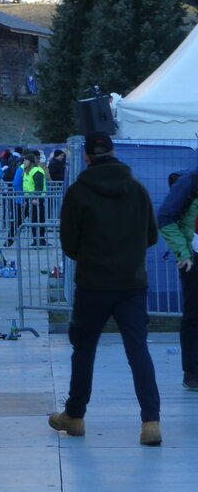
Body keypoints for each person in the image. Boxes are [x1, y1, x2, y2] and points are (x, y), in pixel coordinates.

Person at [51, 131, 161, 446]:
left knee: (84, 350)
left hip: (93, 285)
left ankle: (75, 416)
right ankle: (151, 423)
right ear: (113, 152)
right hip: (132, 285)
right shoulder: (137, 190)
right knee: (138, 350)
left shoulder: (78, 193)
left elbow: (69, 245)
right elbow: (151, 236)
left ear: (86, 156)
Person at [157, 167, 198, 391]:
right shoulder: (190, 182)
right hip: (193, 258)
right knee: (194, 315)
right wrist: (183, 252)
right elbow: (165, 217)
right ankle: (192, 372)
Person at [22, 150, 48, 246]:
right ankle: (35, 240)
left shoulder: (37, 171)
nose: (24, 162)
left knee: (39, 220)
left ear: (30, 161)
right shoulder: (27, 171)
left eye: (25, 160)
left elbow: (39, 186)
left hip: (36, 199)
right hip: (30, 199)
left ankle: (40, 240)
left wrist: (36, 198)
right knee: (33, 220)